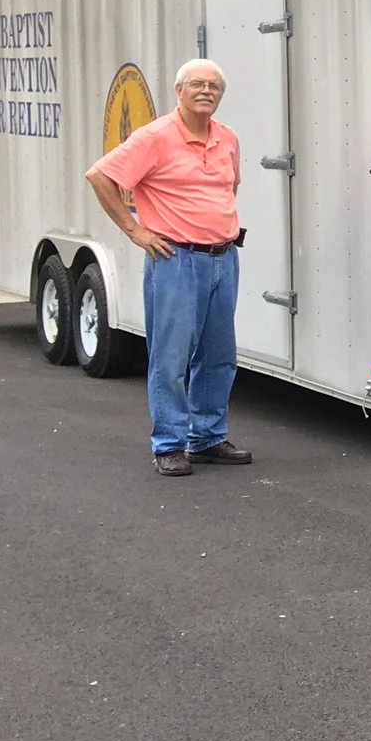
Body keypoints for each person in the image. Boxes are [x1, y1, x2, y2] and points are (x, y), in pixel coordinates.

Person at [85, 59, 253, 477]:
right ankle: (169, 444)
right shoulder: (156, 137)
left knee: (219, 355)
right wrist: (135, 231)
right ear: (178, 91)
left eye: (214, 86)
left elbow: (230, 187)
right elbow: (100, 176)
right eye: (196, 84)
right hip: (175, 259)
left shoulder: (227, 138)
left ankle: (208, 438)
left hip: (222, 257)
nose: (206, 91)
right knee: (171, 355)